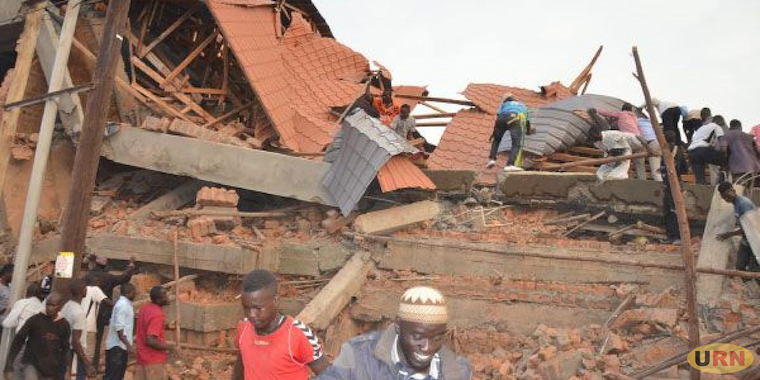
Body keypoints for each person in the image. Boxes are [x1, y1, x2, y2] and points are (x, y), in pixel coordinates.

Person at [316, 286, 472, 380]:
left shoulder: (456, 371)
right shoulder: (358, 355)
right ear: (398, 325)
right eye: (417, 337)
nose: (427, 348)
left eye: (437, 338)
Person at [232, 270, 328, 380]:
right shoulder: (244, 327)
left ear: (276, 301)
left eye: (258, 308)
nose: (251, 315)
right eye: (246, 308)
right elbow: (241, 364)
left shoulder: (297, 333)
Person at [84, 255, 136, 369]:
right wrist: (131, 265)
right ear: (106, 266)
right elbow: (124, 277)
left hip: (86, 312)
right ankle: (94, 365)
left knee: (84, 340)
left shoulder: (87, 277)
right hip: (103, 313)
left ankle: (83, 366)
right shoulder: (108, 277)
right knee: (97, 341)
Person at [5, 292, 71, 380]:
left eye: (53, 305)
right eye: (48, 305)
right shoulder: (35, 320)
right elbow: (18, 340)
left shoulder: (64, 325)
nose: (50, 308)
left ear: (60, 306)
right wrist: (9, 365)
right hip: (31, 363)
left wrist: (67, 369)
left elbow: (65, 348)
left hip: (51, 368)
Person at [2, 283, 46, 379]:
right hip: (37, 347)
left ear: (27, 292)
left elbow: (8, 323)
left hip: (22, 344)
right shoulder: (43, 308)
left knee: (17, 371)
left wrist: (9, 313)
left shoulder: (22, 303)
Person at [716, 182, 758, 271]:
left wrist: (729, 234)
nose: (727, 199)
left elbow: (750, 227)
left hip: (755, 241)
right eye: (724, 197)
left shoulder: (743, 204)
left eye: (727, 196)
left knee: (754, 271)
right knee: (739, 267)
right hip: (747, 240)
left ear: (733, 191)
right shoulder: (736, 204)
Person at [60, 279, 96, 380]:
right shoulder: (79, 312)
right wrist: (87, 363)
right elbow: (75, 341)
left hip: (65, 351)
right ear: (82, 291)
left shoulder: (67, 306)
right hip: (76, 354)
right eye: (85, 288)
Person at [134, 286, 173, 380]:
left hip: (142, 358)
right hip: (154, 360)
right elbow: (150, 340)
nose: (168, 297)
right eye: (164, 295)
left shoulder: (145, 308)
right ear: (158, 300)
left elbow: (146, 326)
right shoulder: (157, 314)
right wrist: (171, 348)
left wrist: (165, 326)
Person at [488, 96, 529, 172]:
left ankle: (492, 159)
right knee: (516, 144)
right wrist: (528, 131)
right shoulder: (522, 105)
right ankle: (510, 165)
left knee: (497, 140)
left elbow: (498, 115)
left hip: (501, 118)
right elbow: (527, 121)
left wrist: (494, 133)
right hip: (514, 118)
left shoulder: (505, 104)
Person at [77, 280, 109, 380]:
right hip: (89, 328)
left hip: (78, 328)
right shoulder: (94, 289)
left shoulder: (78, 290)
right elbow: (107, 302)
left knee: (79, 356)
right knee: (88, 357)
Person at [104, 283, 135, 380]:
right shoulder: (123, 305)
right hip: (117, 348)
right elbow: (119, 329)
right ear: (129, 293)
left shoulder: (124, 304)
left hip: (120, 347)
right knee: (114, 376)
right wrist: (129, 346)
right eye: (134, 292)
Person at [687, 116, 725, 184]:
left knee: (700, 179)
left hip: (691, 152)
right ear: (720, 122)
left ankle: (701, 188)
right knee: (724, 160)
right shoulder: (717, 126)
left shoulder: (701, 128)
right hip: (702, 150)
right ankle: (722, 179)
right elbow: (722, 142)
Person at [635, 109, 663, 181]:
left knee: (639, 162)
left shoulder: (636, 121)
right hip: (657, 142)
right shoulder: (650, 122)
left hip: (646, 143)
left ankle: (642, 181)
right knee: (656, 168)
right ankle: (660, 183)